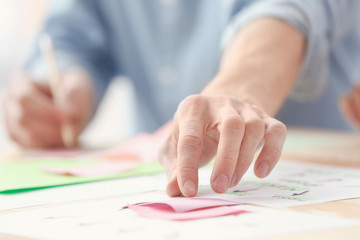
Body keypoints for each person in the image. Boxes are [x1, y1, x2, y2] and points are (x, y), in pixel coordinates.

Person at [2, 0, 360, 197]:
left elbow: (286, 9)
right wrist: (63, 90)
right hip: (146, 183)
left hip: (318, 190)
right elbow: (72, 37)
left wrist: (237, 92)